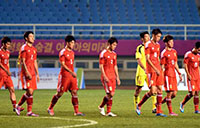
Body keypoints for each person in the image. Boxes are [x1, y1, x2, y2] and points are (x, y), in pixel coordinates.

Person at [47, 35, 84, 116]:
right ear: (67, 43)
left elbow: (70, 64)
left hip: (72, 76)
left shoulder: (72, 53)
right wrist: (71, 72)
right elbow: (63, 65)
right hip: (65, 76)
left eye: (74, 43)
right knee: (59, 93)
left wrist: (72, 73)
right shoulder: (63, 52)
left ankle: (76, 111)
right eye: (71, 43)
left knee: (74, 92)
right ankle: (50, 108)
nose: (73, 44)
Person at [136, 28, 167, 117]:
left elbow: (157, 58)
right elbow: (147, 59)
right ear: (153, 35)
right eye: (157, 36)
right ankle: (139, 105)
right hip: (151, 70)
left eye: (160, 37)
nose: (159, 38)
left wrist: (160, 67)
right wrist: (155, 69)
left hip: (158, 69)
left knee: (160, 90)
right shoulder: (148, 45)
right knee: (153, 91)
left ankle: (159, 111)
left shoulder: (157, 45)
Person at [15, 31, 40, 116]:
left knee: (31, 92)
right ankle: (21, 107)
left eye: (33, 36)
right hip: (26, 73)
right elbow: (23, 61)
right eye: (31, 36)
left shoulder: (34, 49)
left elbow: (35, 61)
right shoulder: (24, 48)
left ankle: (25, 109)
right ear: (26, 38)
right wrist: (27, 72)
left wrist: (37, 74)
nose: (33, 38)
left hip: (32, 73)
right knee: (29, 91)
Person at [134, 31, 157, 113]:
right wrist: (144, 68)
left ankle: (154, 107)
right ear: (142, 39)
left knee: (153, 89)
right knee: (138, 90)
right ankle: (137, 104)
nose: (148, 38)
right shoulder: (139, 48)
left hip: (150, 72)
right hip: (141, 72)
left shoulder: (151, 47)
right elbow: (138, 60)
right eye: (146, 37)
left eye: (148, 36)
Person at [0, 37, 24, 115]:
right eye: (7, 44)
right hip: (1, 74)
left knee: (12, 90)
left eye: (9, 44)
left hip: (7, 75)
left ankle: (15, 107)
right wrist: (6, 70)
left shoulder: (8, 52)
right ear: (3, 44)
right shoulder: (0, 52)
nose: (9, 45)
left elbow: (7, 63)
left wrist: (8, 70)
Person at [98, 37, 121, 117]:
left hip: (112, 77)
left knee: (111, 94)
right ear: (109, 44)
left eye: (116, 45)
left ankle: (108, 112)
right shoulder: (103, 53)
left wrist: (117, 77)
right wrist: (104, 76)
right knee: (111, 93)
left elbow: (115, 66)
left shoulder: (114, 54)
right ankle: (101, 107)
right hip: (106, 76)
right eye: (114, 45)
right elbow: (101, 66)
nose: (115, 47)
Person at [160, 35, 182, 116]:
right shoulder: (164, 53)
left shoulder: (174, 51)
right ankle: (170, 112)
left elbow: (175, 63)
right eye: (170, 42)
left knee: (174, 94)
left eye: (173, 41)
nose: (172, 43)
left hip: (173, 74)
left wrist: (179, 73)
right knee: (169, 93)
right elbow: (162, 66)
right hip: (167, 75)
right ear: (166, 43)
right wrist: (161, 75)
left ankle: (158, 104)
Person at [180, 41, 200, 114]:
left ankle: (196, 109)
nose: (199, 52)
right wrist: (188, 74)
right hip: (191, 76)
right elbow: (185, 65)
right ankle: (182, 103)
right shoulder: (188, 54)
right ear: (195, 48)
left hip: (197, 76)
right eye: (198, 50)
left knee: (197, 93)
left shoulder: (198, 56)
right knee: (192, 93)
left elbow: (198, 66)